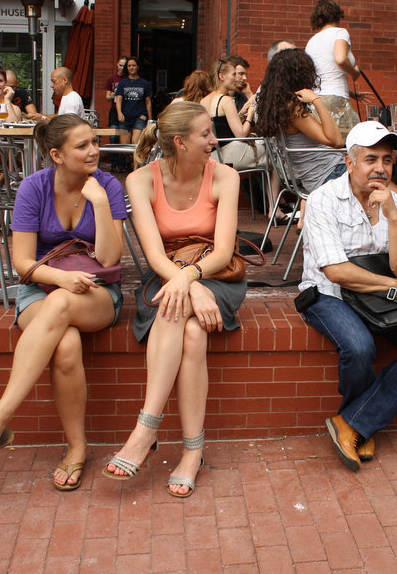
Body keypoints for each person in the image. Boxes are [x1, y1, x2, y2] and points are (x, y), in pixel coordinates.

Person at [0, 114, 127, 490]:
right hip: (41, 286)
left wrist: (102, 205)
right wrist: (60, 279)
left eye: (94, 141)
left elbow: (110, 260)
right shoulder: (34, 188)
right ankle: (77, 449)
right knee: (66, 344)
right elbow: (22, 262)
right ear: (57, 155)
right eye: (82, 145)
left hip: (96, 292)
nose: (94, 150)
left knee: (61, 305)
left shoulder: (107, 186)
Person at [104, 102, 244, 498]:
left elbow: (222, 252)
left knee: (177, 303)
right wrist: (185, 284)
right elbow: (154, 256)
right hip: (166, 273)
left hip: (215, 274)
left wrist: (194, 280)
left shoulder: (225, 177)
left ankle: (145, 430)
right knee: (193, 332)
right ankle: (191, 452)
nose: (214, 142)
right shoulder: (140, 180)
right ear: (180, 143)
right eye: (206, 135)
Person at [297, 121, 397, 471]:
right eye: (370, 159)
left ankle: (354, 423)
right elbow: (336, 271)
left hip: (380, 299)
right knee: (360, 346)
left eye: (388, 160)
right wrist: (395, 287)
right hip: (328, 294)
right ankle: (363, 424)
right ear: (349, 163)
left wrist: (392, 217)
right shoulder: (323, 200)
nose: (380, 167)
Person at [254, 48, 345, 193]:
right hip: (330, 175)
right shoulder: (292, 109)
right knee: (380, 178)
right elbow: (337, 141)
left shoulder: (277, 106)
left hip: (318, 175)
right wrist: (316, 100)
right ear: (299, 76)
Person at [305, 0, 361, 136]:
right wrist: (354, 73)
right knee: (352, 142)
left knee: (324, 146)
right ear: (337, 14)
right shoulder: (340, 33)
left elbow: (323, 73)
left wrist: (352, 93)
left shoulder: (311, 41)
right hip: (336, 100)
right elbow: (340, 59)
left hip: (316, 100)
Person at [201, 57, 263, 169]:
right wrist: (250, 115)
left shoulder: (203, 100)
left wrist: (240, 113)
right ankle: (273, 187)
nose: (237, 79)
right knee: (273, 155)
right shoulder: (226, 100)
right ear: (222, 76)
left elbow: (220, 126)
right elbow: (241, 134)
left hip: (213, 154)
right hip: (228, 154)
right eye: (234, 75)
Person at [115, 56, 153, 144]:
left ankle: (136, 158)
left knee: (135, 143)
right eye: (129, 66)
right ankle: (129, 158)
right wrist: (119, 113)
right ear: (127, 68)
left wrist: (150, 120)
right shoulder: (122, 83)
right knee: (124, 146)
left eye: (133, 65)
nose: (131, 68)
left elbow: (148, 102)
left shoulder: (145, 83)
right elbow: (119, 99)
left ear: (138, 67)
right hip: (125, 117)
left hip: (140, 116)